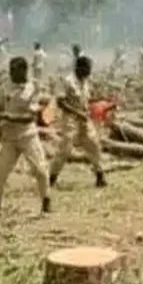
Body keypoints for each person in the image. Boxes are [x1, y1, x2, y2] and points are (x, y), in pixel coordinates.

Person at [0, 56, 51, 213]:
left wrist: (9, 116)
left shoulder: (33, 88)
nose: (11, 74)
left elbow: (31, 117)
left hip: (28, 135)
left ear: (24, 71)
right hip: (9, 137)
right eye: (10, 71)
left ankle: (46, 201)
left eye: (14, 71)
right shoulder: (4, 88)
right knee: (2, 171)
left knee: (40, 170)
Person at [49, 55, 106, 188]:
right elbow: (61, 102)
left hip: (84, 118)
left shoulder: (85, 81)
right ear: (79, 68)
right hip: (70, 119)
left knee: (94, 145)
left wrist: (101, 100)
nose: (89, 72)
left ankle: (100, 175)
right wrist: (77, 113)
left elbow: (86, 100)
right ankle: (51, 178)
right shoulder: (67, 81)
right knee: (65, 149)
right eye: (87, 69)